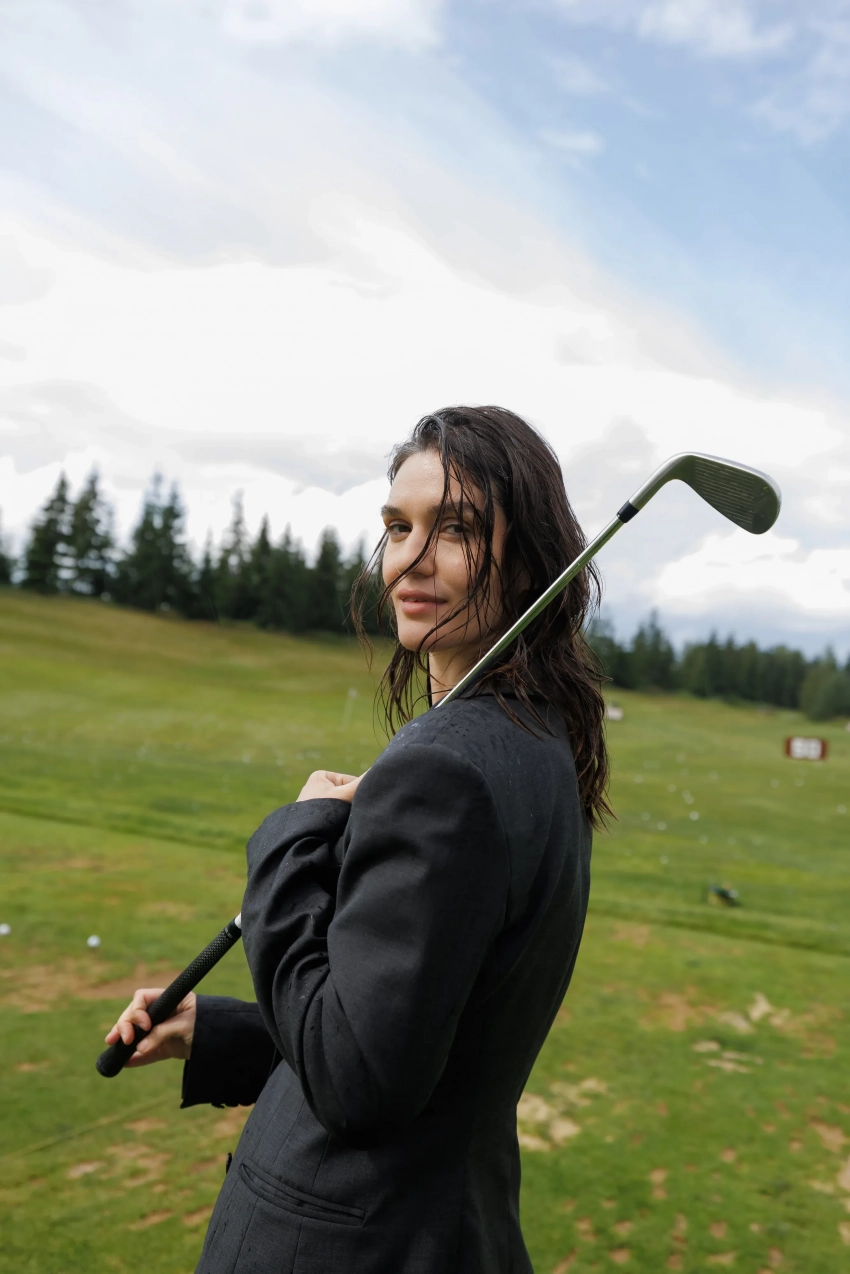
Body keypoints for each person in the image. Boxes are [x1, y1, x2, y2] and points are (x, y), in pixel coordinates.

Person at [106, 405, 611, 1274]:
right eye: (397, 526)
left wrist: (291, 843)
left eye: (456, 530)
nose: (410, 560)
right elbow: (412, 1034)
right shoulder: (538, 744)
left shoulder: (447, 770)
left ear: (530, 558)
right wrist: (216, 1032)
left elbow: (358, 1084)